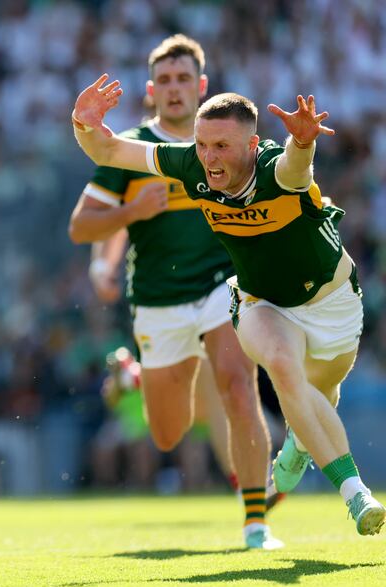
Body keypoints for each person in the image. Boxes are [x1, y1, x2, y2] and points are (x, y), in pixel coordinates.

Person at [71, 73, 386, 539]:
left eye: (221, 145)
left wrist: (303, 144)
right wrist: (84, 124)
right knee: (281, 368)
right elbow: (112, 151)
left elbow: (296, 169)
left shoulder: (276, 167)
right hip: (260, 302)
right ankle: (355, 493)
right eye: (202, 144)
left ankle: (298, 448)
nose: (209, 157)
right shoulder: (191, 165)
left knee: (318, 397)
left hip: (332, 306)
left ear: (253, 143)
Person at [69, 35, 279, 549]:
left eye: (184, 78)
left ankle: (256, 522)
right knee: (168, 432)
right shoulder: (133, 147)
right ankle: (136, 379)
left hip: (221, 286)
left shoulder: (226, 140)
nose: (175, 88)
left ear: (202, 86)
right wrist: (130, 214)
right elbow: (82, 227)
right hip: (157, 299)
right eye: (164, 80)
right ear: (151, 89)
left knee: (236, 383)